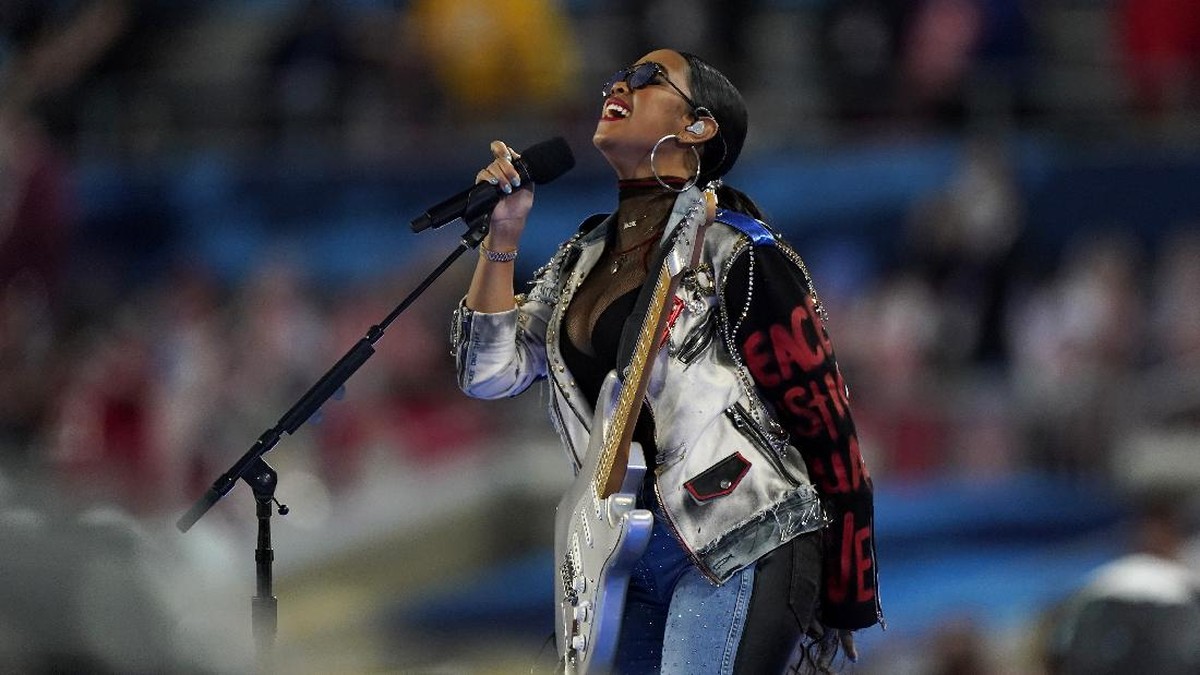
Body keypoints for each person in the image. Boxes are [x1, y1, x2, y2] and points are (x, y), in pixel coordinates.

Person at [451, 48, 881, 674]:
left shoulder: (740, 252)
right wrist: (504, 236)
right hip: (620, 558)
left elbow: (826, 423)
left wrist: (848, 588)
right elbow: (488, 373)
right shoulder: (579, 260)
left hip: (740, 534)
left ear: (698, 127)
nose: (619, 86)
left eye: (647, 79)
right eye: (617, 77)